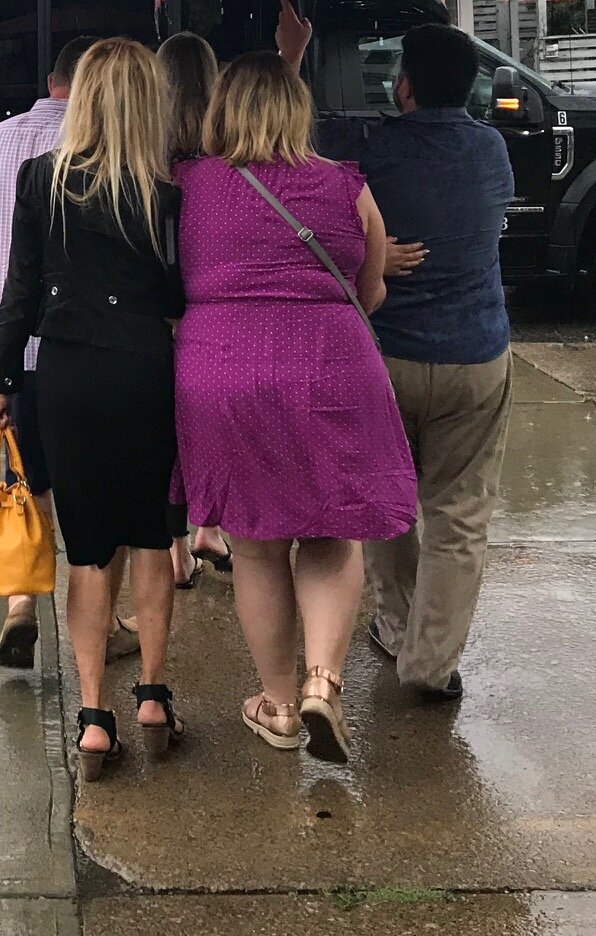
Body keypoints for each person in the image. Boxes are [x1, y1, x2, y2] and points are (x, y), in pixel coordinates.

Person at [174, 51, 417, 763]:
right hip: (330, 368)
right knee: (332, 533)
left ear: (223, 112)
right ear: (297, 112)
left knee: (253, 544)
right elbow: (370, 293)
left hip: (220, 370)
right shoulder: (346, 186)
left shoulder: (189, 185)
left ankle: (277, 704)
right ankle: (323, 680)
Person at [0, 38, 185, 785]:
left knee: (89, 548)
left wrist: (2, 384)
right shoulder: (164, 191)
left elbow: (20, 290)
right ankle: (155, 699)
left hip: (65, 375)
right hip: (145, 372)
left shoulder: (40, 178)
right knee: (153, 538)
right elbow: (175, 296)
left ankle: (94, 719)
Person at [349, 24, 517, 702]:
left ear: (405, 86)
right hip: (474, 356)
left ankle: (394, 627)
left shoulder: (373, 154)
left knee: (388, 505)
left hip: (386, 355)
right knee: (459, 514)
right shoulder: (491, 149)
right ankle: (430, 662)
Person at [156, 0, 316, 578]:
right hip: (214, 305)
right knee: (210, 422)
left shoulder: (152, 155)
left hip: (164, 305)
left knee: (170, 426)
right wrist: (289, 60)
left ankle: (175, 549)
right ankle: (210, 523)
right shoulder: (217, 153)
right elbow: (269, 146)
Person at [0, 36, 96, 670]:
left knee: (23, 482)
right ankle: (103, 624)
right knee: (88, 491)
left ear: (51, 81)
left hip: (10, 349)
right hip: (82, 347)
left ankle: (20, 604)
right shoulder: (102, 146)